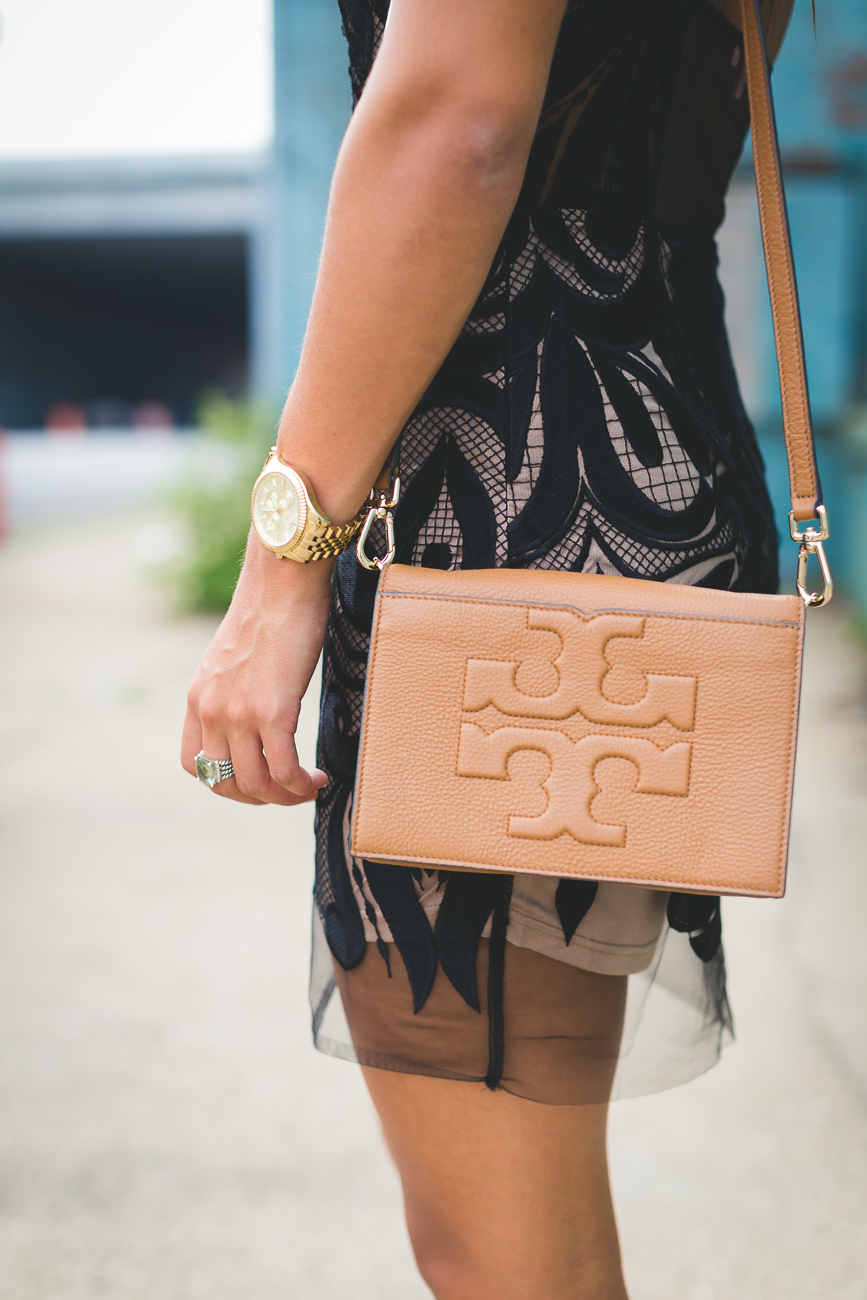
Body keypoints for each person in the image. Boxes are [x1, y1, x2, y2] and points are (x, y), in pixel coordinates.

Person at [182, 0, 794, 1294]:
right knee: (540, 1222)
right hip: (650, 440)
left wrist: (282, 558)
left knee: (498, 1249)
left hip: (499, 504)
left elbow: (455, 123)